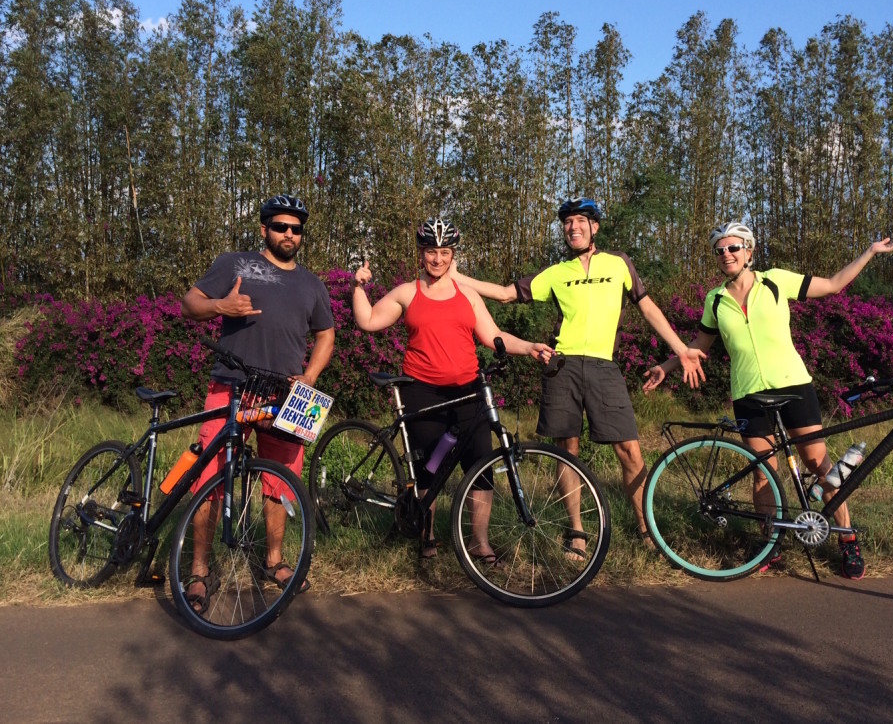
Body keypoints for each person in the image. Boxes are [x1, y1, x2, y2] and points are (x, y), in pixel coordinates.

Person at [643, 220, 893, 580]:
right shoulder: (715, 299)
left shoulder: (775, 280)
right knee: (763, 473)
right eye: (720, 251)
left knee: (819, 464)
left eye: (734, 248)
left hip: (793, 385)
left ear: (749, 252)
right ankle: (770, 546)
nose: (726, 255)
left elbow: (832, 285)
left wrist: (872, 251)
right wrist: (666, 366)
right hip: (749, 393)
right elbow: (698, 348)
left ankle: (847, 539)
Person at [449, 197, 706, 552]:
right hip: (562, 366)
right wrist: (456, 276)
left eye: (581, 221)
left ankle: (648, 533)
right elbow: (507, 295)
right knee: (566, 450)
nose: (574, 227)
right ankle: (577, 532)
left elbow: (647, 307)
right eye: (567, 223)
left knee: (630, 451)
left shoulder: (618, 264)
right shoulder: (556, 272)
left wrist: (680, 349)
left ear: (594, 227)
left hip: (604, 367)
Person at [352, 217, 554, 561]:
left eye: (444, 252)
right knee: (428, 469)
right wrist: (359, 286)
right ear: (421, 254)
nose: (437, 259)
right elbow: (368, 321)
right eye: (431, 251)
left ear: (452, 255)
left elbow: (493, 337)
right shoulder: (407, 292)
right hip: (422, 392)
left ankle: (479, 541)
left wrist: (530, 346)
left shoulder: (468, 296)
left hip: (469, 392)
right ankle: (426, 535)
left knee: (480, 466)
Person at [180, 194, 335, 610]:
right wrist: (220, 305)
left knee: (281, 479)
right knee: (210, 479)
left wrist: (311, 376)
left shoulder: (312, 284)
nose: (289, 233)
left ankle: (273, 561)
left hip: (285, 393)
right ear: (264, 228)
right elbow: (189, 303)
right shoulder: (235, 263)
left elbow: (326, 335)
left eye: (296, 228)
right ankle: (199, 571)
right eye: (280, 226)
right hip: (230, 386)